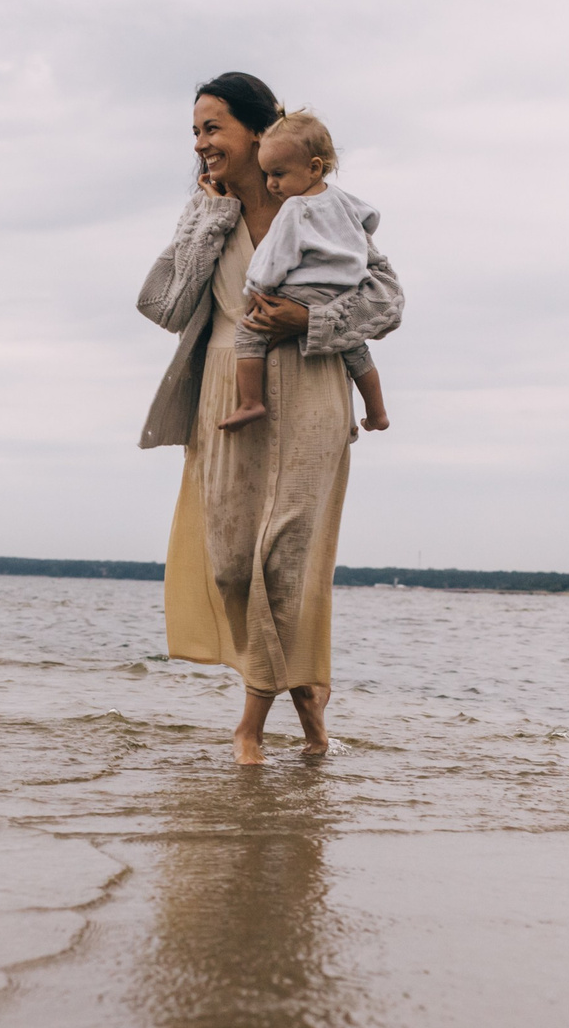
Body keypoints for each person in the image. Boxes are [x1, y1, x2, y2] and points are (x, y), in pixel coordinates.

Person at [136, 73, 403, 765]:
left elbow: (389, 302)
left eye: (213, 128)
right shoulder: (205, 210)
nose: (201, 144)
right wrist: (211, 221)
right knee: (229, 567)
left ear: (258, 132)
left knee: (284, 564)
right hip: (228, 395)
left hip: (312, 385)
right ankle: (306, 695)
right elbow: (165, 305)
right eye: (195, 131)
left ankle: (250, 729)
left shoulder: (323, 207)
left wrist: (313, 318)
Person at [217, 111, 389, 435]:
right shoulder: (341, 199)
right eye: (267, 174)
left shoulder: (294, 209)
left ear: (313, 167)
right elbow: (371, 216)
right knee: (356, 349)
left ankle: (250, 402)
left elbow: (276, 256)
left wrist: (256, 288)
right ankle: (377, 414)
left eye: (279, 174)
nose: (272, 184)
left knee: (249, 332)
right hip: (344, 292)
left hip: (304, 292)